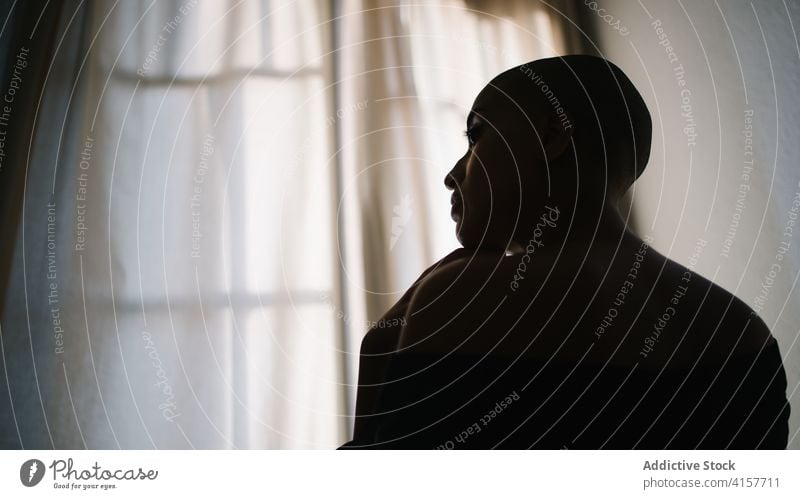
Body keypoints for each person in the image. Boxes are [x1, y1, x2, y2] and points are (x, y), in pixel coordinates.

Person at [339, 55, 790, 449]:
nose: (452, 175)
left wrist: (379, 349)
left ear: (552, 135)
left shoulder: (465, 296)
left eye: (475, 136)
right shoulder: (740, 326)